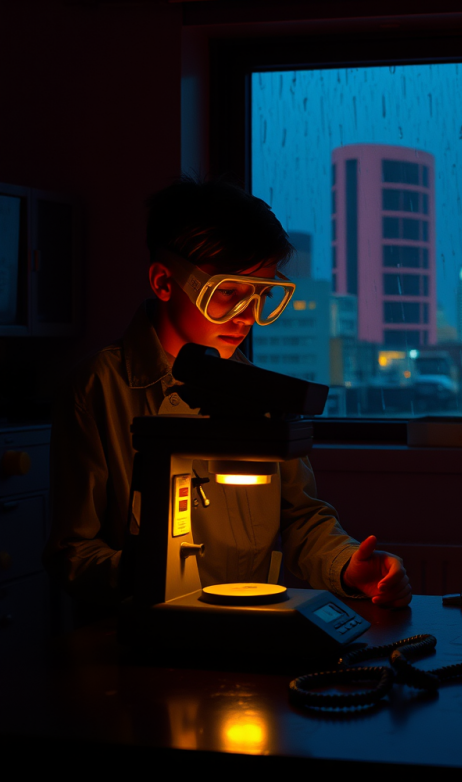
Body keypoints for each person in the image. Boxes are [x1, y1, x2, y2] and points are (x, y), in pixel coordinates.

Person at [44, 177, 412, 617]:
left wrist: (349, 567)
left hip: (245, 624)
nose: (247, 318)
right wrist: (147, 575)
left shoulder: (255, 391)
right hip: (138, 634)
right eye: (227, 293)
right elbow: (74, 551)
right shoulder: (98, 391)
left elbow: (301, 518)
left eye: (259, 295)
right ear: (164, 282)